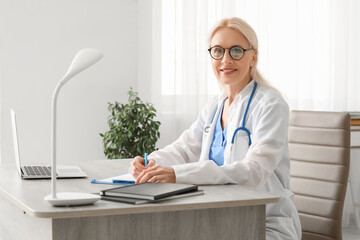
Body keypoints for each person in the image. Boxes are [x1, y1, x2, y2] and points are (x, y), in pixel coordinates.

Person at [129, 17, 301, 240]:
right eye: (218, 51)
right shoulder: (215, 105)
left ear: (253, 56)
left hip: (263, 222)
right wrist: (151, 162)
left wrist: (176, 174)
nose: (226, 59)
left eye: (236, 51)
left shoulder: (270, 104)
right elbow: (185, 148)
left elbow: (255, 171)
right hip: (218, 218)